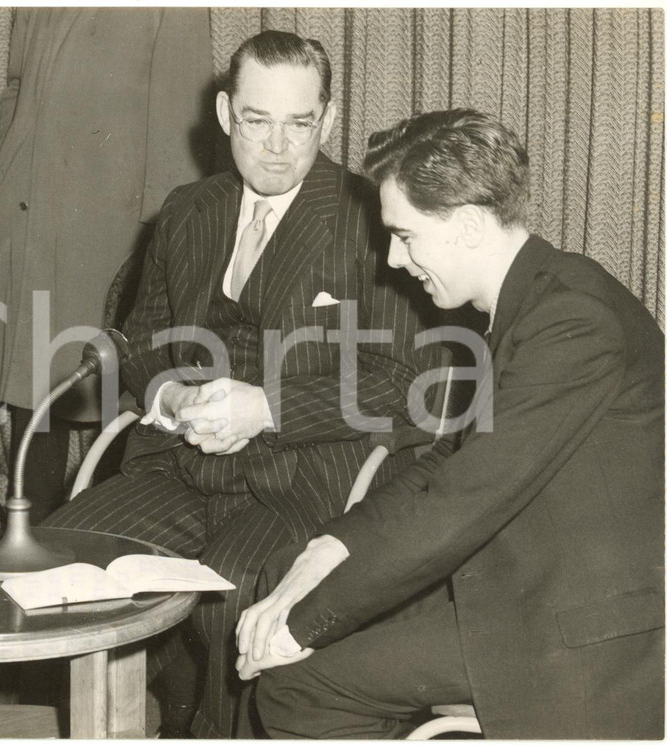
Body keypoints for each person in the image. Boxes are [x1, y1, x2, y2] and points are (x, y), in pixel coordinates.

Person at [45, 30, 436, 738]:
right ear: (226, 115)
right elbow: (142, 338)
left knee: (237, 596)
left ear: (330, 119)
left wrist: (265, 407)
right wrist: (167, 397)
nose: (279, 146)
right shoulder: (189, 209)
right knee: (66, 560)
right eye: (258, 121)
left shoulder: (372, 219)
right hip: (179, 465)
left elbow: (405, 379)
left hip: (304, 475)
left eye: (300, 123)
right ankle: (130, 710)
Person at [238, 109, 665, 739]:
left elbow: (463, 501)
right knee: (288, 571)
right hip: (532, 584)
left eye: (406, 236)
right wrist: (334, 543)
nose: (392, 258)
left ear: (467, 226)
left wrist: (297, 630)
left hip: (584, 629)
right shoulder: (541, 298)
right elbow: (452, 462)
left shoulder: (570, 321)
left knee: (296, 685)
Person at [0, 8, 214, 522]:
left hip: (111, 224)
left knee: (117, 385)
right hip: (30, 214)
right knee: (36, 384)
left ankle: (104, 536)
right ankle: (27, 531)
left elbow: (182, 121)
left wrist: (159, 240)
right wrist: (7, 168)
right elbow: (16, 87)